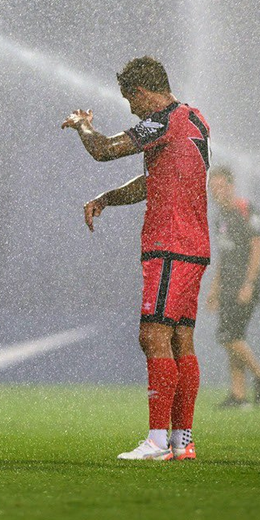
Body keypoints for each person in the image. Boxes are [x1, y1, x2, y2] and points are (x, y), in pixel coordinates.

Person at [61, 56, 210, 461]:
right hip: (194, 245)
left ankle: (157, 441)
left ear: (144, 92)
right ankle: (182, 442)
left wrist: (82, 126)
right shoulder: (194, 121)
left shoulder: (163, 119)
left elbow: (105, 150)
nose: (130, 109)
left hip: (170, 243)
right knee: (181, 339)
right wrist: (108, 198)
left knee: (152, 336)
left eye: (131, 100)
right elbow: (153, 182)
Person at [207, 166, 260, 409]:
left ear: (231, 186)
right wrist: (214, 289)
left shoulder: (245, 209)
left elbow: (258, 247)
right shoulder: (220, 218)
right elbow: (223, 256)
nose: (216, 192)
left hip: (243, 286)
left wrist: (248, 283)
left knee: (227, 337)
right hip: (228, 285)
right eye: (212, 187)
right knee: (234, 338)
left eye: (220, 186)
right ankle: (238, 396)